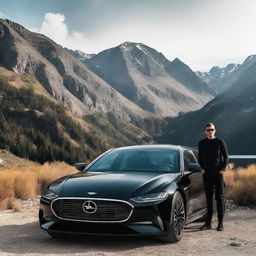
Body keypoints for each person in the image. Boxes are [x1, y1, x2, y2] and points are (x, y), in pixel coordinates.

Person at [198, 123, 228, 231]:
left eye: (212, 130)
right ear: (205, 132)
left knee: (219, 198)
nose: (210, 131)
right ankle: (208, 223)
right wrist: (201, 168)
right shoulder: (201, 143)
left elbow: (226, 157)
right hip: (206, 174)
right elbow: (200, 158)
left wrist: (222, 169)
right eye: (208, 130)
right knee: (208, 199)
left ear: (215, 130)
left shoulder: (220, 142)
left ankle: (220, 223)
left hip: (218, 174)